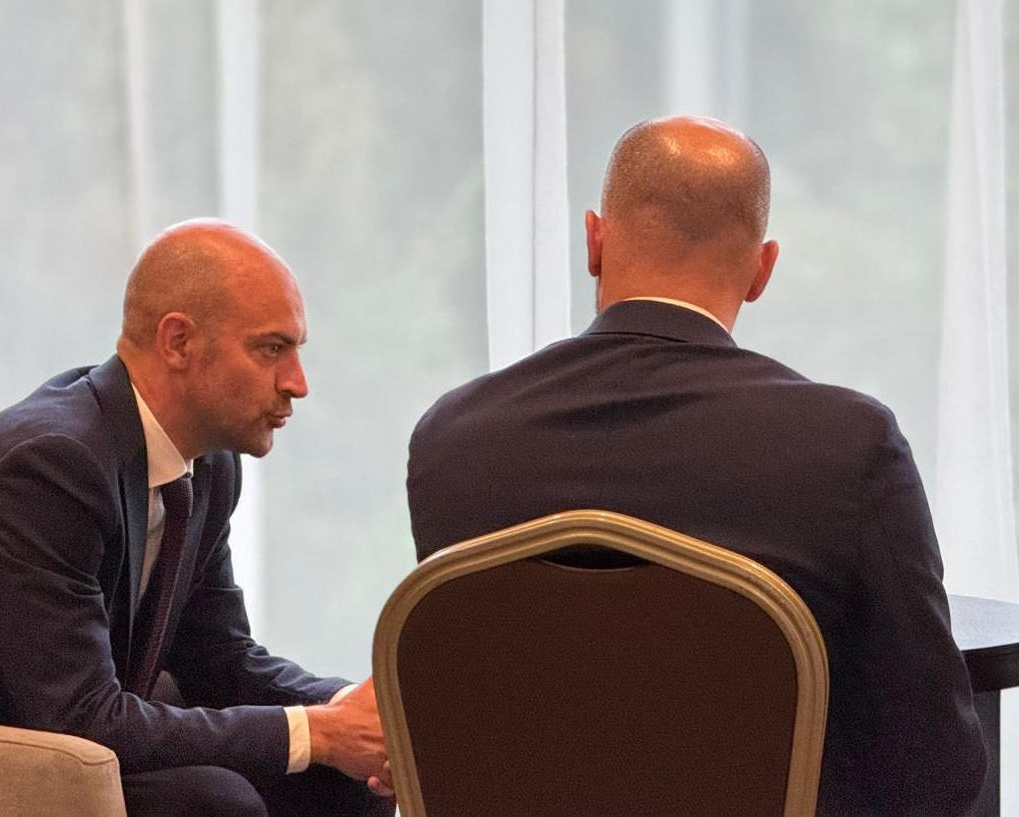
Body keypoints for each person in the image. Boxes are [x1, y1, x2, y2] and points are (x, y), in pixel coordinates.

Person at [407, 116, 986, 815]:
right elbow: (933, 762)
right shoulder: (847, 446)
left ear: (593, 241)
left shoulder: (452, 439)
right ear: (762, 270)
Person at [0, 219, 393, 817]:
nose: (298, 384)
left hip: (85, 738)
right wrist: (319, 731)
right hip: (29, 753)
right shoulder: (52, 466)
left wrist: (354, 711)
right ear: (178, 342)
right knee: (217, 803)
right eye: (271, 349)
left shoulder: (208, 466)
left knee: (343, 782)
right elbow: (77, 717)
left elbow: (218, 658)